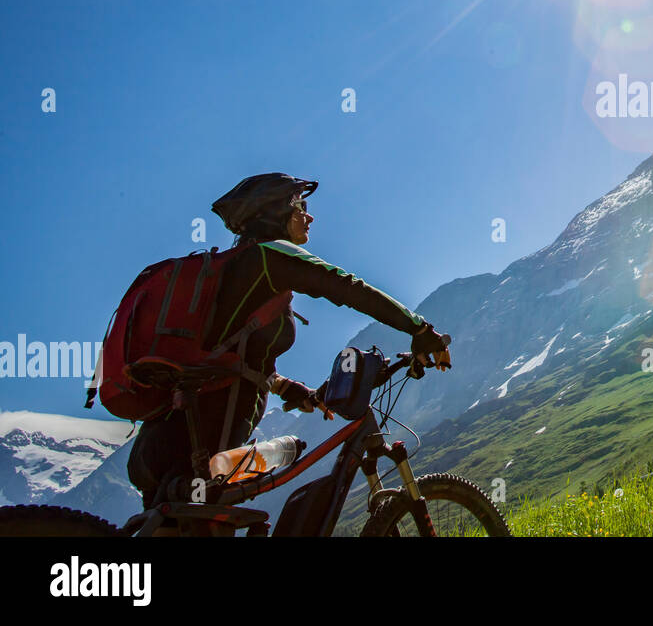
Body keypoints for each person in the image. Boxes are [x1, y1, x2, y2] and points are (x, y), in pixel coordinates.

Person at [126, 172, 450, 509]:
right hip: (208, 429)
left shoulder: (236, 268)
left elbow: (227, 355)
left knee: (177, 521)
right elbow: (348, 287)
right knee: (203, 521)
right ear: (274, 213)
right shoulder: (270, 257)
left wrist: (286, 388)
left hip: (171, 429)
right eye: (300, 205)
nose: (309, 216)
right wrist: (421, 331)